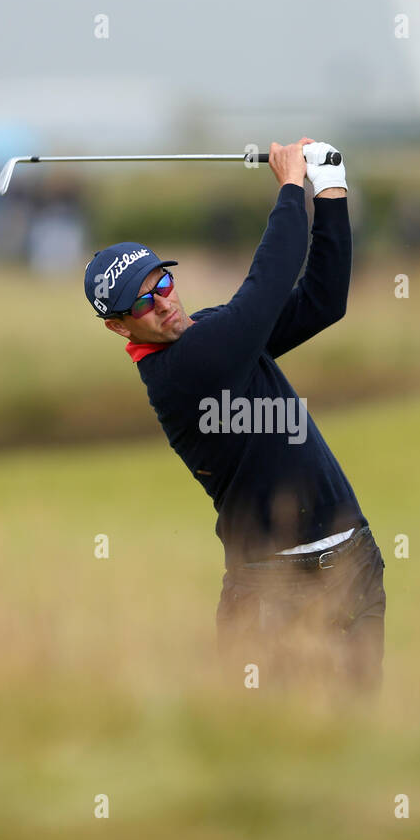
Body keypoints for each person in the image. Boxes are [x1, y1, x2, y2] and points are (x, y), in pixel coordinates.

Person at [82, 139, 384, 695]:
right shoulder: (185, 371)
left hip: (350, 567)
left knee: (355, 737)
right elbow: (267, 284)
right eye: (144, 303)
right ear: (120, 328)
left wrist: (330, 186)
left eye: (163, 284)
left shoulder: (218, 335)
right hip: (270, 589)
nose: (165, 304)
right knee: (270, 745)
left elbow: (323, 301)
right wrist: (291, 185)